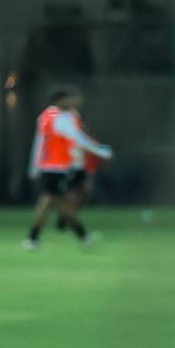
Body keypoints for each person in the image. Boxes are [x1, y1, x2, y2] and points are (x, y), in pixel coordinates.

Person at [24, 89, 113, 249]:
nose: (74, 102)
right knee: (57, 203)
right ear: (61, 100)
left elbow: (43, 142)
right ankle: (80, 236)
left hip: (58, 167)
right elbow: (77, 138)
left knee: (57, 202)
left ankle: (36, 238)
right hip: (55, 168)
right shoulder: (58, 117)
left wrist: (34, 167)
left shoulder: (50, 115)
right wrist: (101, 151)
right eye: (71, 99)